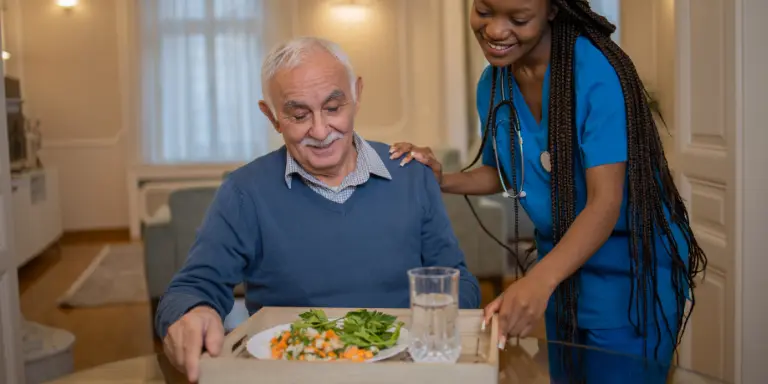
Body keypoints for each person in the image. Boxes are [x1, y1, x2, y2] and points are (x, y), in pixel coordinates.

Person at [390, 0, 707, 382]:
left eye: (518, 19)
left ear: (553, 10)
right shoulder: (494, 83)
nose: (494, 31)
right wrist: (440, 178)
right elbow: (503, 171)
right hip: (563, 268)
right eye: (484, 11)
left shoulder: (596, 73)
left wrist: (539, 280)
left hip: (630, 270)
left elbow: (605, 202)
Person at [156, 36, 481, 383]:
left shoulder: (413, 175)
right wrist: (191, 313)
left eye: (333, 108)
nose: (321, 131)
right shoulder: (243, 192)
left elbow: (460, 285)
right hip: (291, 374)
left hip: (403, 370)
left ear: (356, 95)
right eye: (298, 115)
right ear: (272, 116)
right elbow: (190, 288)